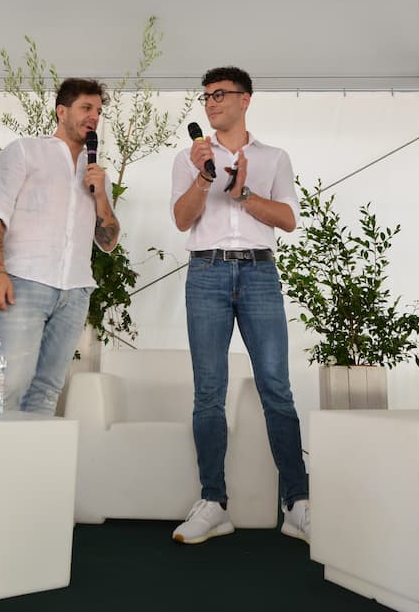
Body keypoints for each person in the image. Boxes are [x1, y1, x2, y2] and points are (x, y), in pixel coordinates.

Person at [169, 66, 310, 544]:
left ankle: (297, 504)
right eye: (206, 96)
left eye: (220, 94)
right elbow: (182, 219)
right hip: (206, 272)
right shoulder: (190, 157)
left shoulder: (274, 157)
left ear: (245, 99)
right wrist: (202, 177)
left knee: (277, 388)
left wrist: (243, 193)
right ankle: (213, 503)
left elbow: (287, 219)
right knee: (209, 391)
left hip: (259, 273)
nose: (211, 103)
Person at [0, 78, 121, 415]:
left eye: (98, 111)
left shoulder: (95, 172)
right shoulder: (25, 151)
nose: (94, 116)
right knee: (10, 382)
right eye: (86, 108)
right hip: (25, 283)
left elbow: (108, 242)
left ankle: (32, 452)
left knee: (47, 390)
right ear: (62, 111)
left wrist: (101, 195)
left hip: (75, 290)